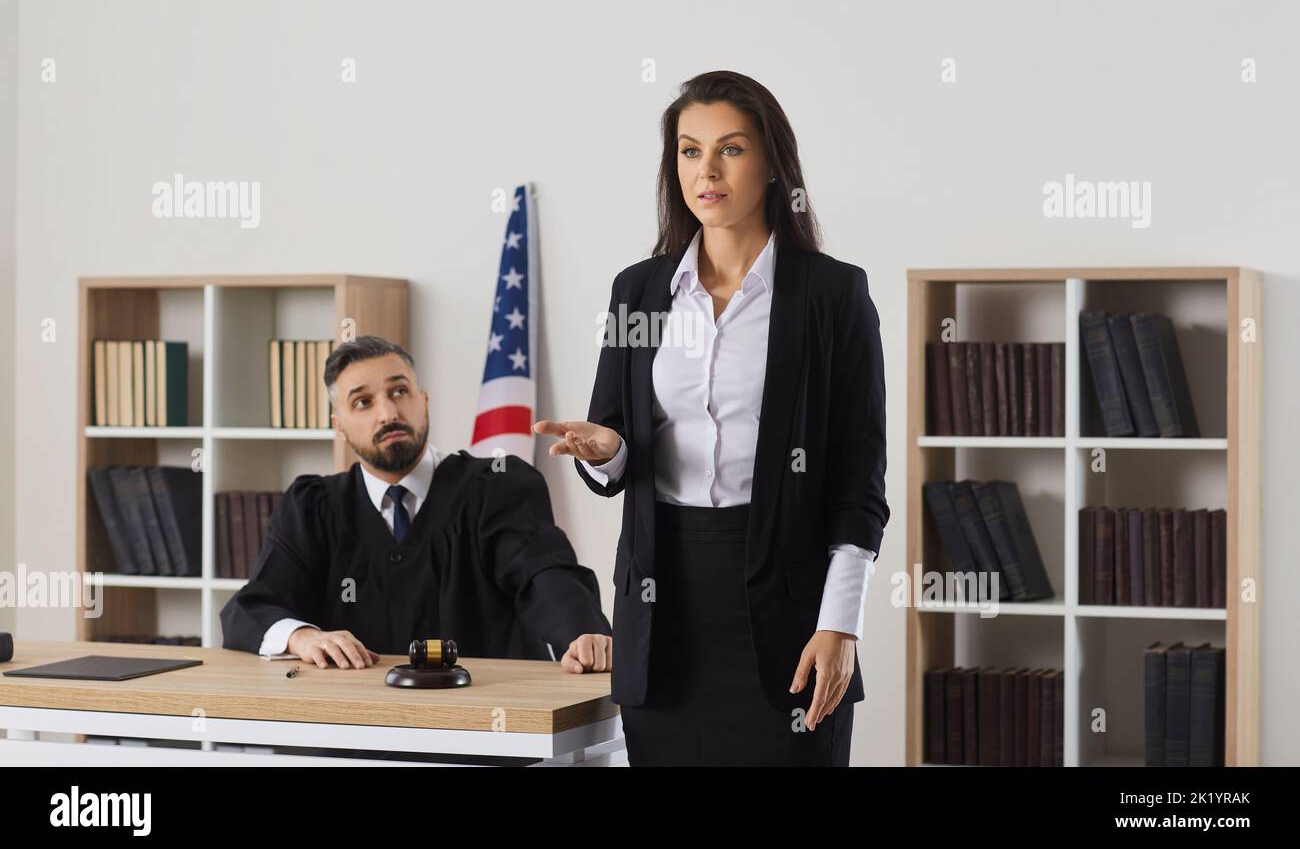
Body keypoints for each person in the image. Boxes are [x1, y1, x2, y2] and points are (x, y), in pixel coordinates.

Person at [534, 71, 889, 765]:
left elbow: (858, 482)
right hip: (663, 614)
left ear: (771, 163)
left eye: (731, 148)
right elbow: (615, 452)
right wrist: (604, 450)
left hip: (790, 617)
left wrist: (840, 624)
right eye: (690, 151)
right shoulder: (638, 290)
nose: (708, 170)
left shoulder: (832, 296)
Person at [221, 335, 612, 675]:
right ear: (338, 427)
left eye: (399, 392)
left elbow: (545, 576)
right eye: (362, 402)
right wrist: (301, 637)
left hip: (485, 733)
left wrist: (580, 632)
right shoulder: (313, 507)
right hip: (355, 735)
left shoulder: (497, 487)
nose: (388, 413)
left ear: (423, 401)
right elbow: (251, 608)